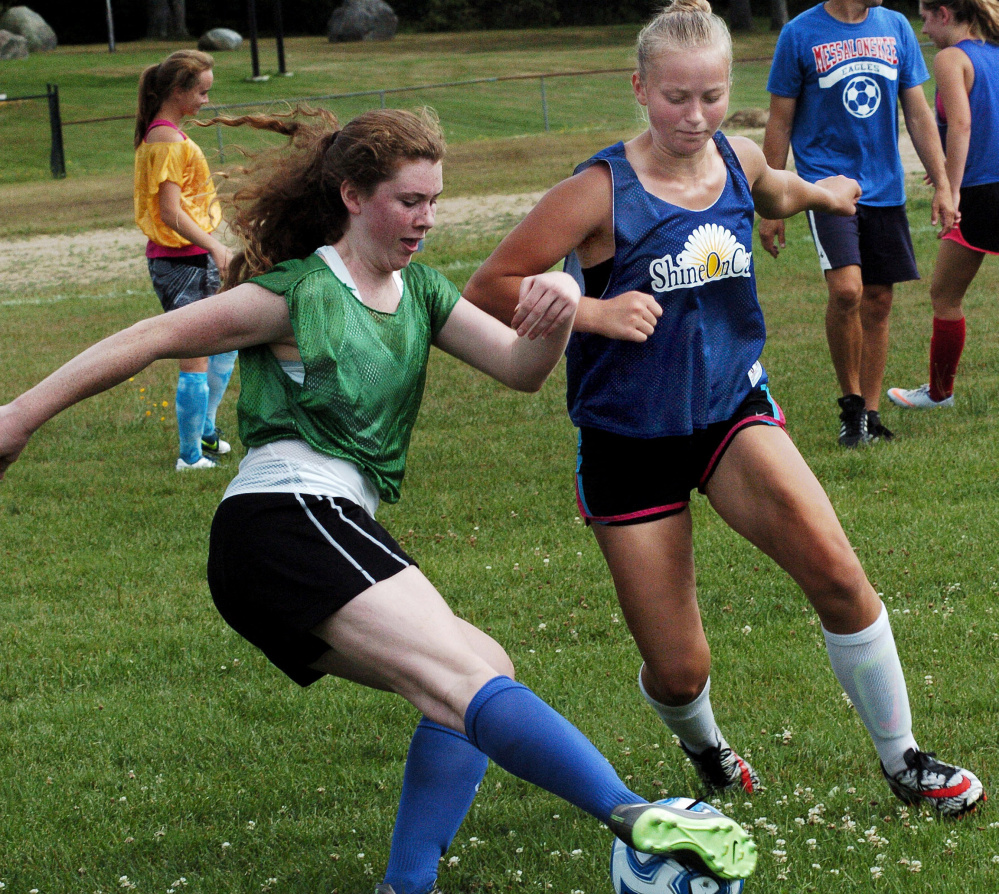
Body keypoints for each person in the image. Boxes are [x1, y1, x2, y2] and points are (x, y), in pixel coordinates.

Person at [0, 107, 758, 894]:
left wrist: (558, 310)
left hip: (318, 527)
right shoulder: (296, 293)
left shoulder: (421, 293)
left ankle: (407, 884)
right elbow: (149, 337)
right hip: (284, 520)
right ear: (352, 196)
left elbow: (519, 369)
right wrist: (17, 418)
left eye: (433, 201)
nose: (424, 219)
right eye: (407, 201)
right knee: (461, 683)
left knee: (476, 670)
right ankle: (631, 813)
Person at [463, 0, 984, 817]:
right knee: (679, 669)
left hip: (731, 413)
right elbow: (487, 287)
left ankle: (904, 761)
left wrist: (821, 194)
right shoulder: (597, 190)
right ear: (639, 88)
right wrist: (594, 312)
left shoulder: (735, 157)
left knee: (841, 578)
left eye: (710, 96)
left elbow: (771, 192)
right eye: (676, 98)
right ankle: (704, 746)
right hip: (626, 440)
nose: (694, 116)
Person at [759, 0, 955, 447]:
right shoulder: (799, 34)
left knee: (879, 300)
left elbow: (920, 114)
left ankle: (870, 413)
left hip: (884, 187)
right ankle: (850, 409)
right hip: (826, 185)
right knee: (847, 290)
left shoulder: (897, 27)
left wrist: (942, 182)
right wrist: (770, 203)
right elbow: (780, 121)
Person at [887, 0, 999, 410]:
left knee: (945, 296)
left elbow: (963, 124)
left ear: (945, 15)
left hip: (981, 193)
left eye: (926, 19)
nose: (924, 30)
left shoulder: (952, 58)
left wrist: (950, 188)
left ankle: (939, 393)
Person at [134, 49, 237, 470]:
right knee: (195, 350)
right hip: (182, 261)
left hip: (195, 256)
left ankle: (207, 432)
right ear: (177, 91)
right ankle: (190, 456)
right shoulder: (165, 138)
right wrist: (214, 245)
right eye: (201, 92)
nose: (206, 101)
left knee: (229, 338)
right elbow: (170, 212)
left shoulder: (169, 134)